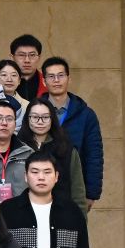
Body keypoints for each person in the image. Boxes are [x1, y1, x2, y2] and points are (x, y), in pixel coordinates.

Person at [38, 57, 101, 211]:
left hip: (74, 187)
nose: (56, 80)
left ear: (69, 78)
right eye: (51, 76)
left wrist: (91, 193)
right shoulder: (34, 111)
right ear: (44, 81)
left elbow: (94, 154)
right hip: (39, 186)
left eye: (61, 75)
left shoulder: (86, 114)